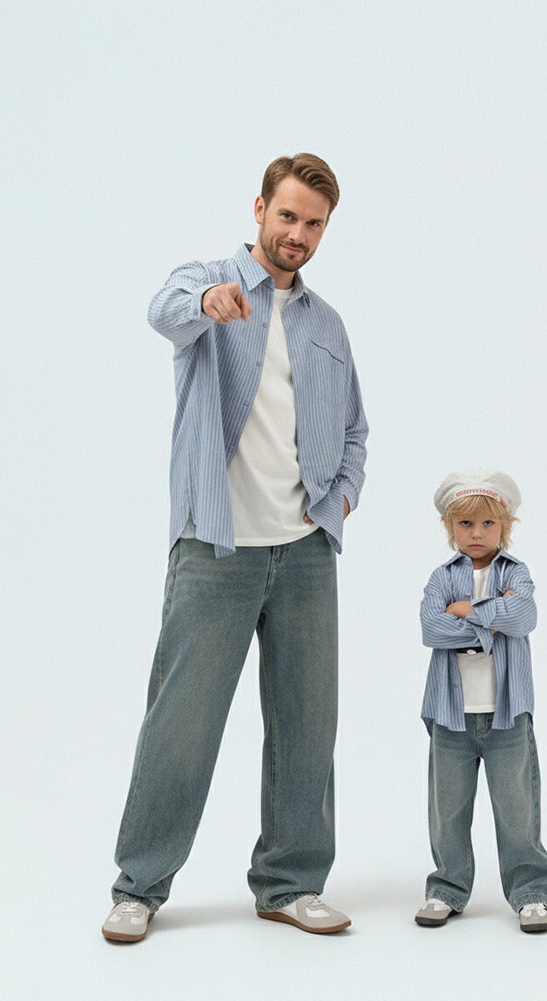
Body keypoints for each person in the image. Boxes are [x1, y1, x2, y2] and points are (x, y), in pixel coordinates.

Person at [101, 154, 367, 943]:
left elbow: (355, 424)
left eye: (314, 224)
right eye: (288, 217)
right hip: (216, 547)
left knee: (307, 725)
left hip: (306, 552)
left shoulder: (326, 324)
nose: (299, 235)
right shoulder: (208, 282)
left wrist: (342, 496)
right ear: (259, 209)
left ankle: (290, 882)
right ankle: (139, 886)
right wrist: (210, 304)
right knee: (180, 723)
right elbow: (165, 310)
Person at [414, 468, 547, 933]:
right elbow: (431, 628)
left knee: (517, 807)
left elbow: (524, 615)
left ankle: (530, 892)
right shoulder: (442, 577)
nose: (476, 534)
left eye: (487, 524)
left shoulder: (517, 574)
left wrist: (467, 612)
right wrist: (493, 618)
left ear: (506, 526)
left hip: (505, 714)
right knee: (448, 808)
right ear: (450, 528)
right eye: (465, 524)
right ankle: (446, 888)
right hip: (451, 716)